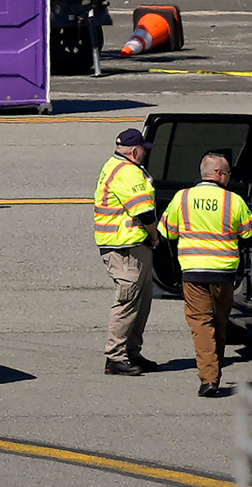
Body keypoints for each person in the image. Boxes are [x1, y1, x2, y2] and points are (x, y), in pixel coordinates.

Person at [159, 153, 252, 397]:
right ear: (220, 175)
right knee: (219, 322)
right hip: (224, 273)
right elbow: (250, 236)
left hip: (194, 273)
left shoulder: (182, 198)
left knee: (201, 325)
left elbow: (167, 233)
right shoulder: (233, 201)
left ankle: (209, 378)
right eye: (227, 174)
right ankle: (214, 371)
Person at [94, 128, 161, 376]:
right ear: (135, 151)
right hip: (125, 248)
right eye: (144, 149)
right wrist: (154, 236)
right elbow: (143, 211)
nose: (145, 153)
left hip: (130, 245)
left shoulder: (117, 165)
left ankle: (132, 353)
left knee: (141, 302)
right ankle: (116, 357)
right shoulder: (127, 172)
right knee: (127, 301)